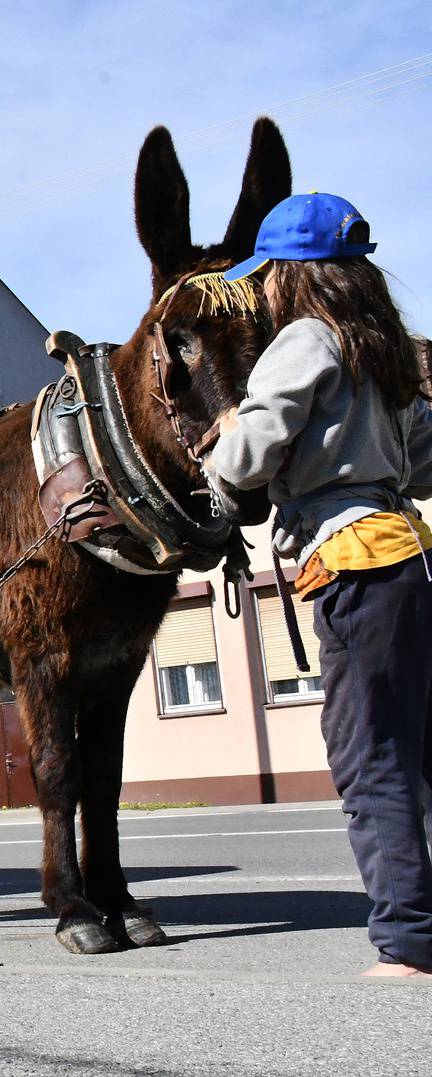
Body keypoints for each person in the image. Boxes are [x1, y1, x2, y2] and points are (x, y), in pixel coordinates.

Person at [203, 192, 432, 978]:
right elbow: (428, 457)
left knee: (368, 757)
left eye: (268, 275)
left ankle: (407, 942)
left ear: (295, 276)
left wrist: (227, 438)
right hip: (411, 557)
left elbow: (247, 457)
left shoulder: (304, 339)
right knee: (415, 750)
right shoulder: (387, 348)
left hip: (354, 563)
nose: (262, 291)